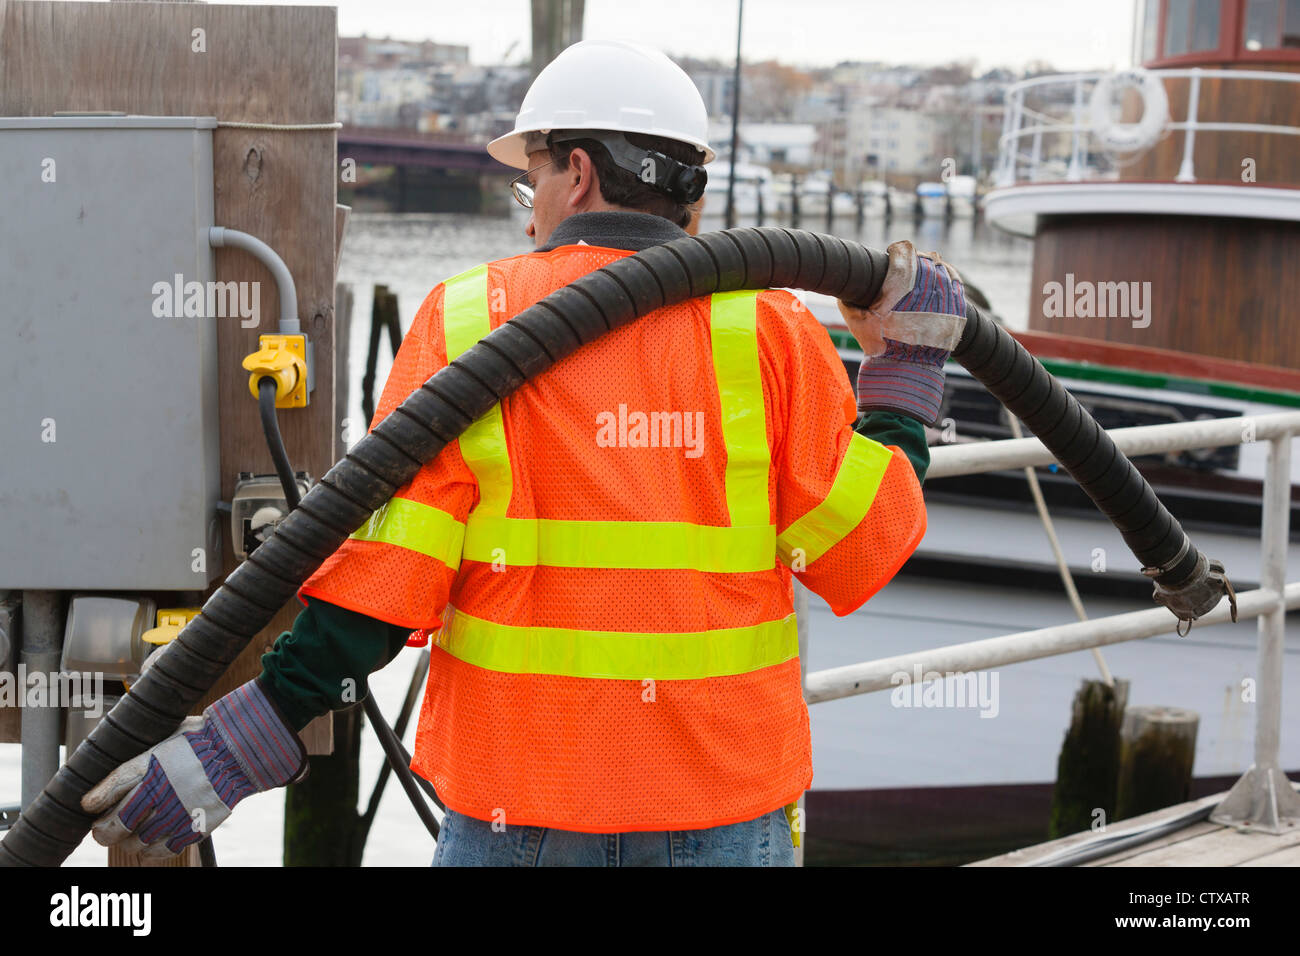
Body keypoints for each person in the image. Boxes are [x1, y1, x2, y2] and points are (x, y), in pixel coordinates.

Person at [82, 39, 967, 867]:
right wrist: (905, 372)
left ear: (577, 174)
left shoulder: (471, 320)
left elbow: (389, 584)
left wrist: (251, 735)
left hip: (521, 808)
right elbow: (861, 547)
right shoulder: (769, 329)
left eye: (531, 178)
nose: (531, 204)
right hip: (724, 809)